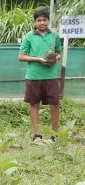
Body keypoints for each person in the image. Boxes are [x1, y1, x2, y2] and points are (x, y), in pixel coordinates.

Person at [18, 8, 63, 142]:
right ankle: (37, 134)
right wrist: (38, 59)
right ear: (35, 22)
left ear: (48, 21)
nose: (42, 22)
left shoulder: (54, 35)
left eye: (45, 20)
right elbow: (21, 57)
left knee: (55, 104)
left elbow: (58, 52)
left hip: (51, 76)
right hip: (34, 76)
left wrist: (56, 58)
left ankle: (55, 134)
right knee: (34, 104)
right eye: (39, 20)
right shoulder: (29, 36)